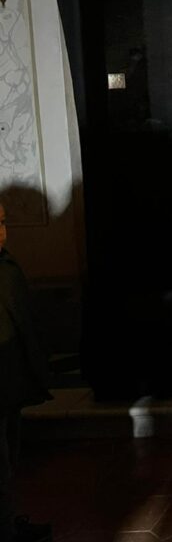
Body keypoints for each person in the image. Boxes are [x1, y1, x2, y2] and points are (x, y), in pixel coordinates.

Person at [0, 202, 52, 542]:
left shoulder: (6, 267)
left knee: (8, 461)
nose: (1, 232)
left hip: (10, 384)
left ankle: (7, 525)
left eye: (3, 222)